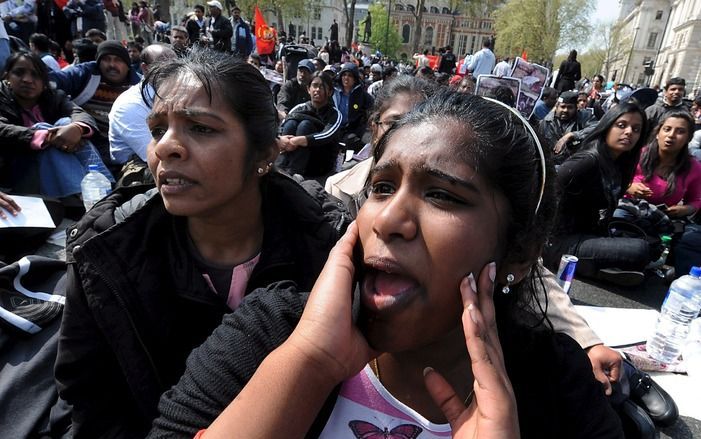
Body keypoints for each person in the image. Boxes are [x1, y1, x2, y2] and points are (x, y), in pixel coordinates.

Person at [150, 90, 623, 438]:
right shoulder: (272, 331)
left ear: (518, 251)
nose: (390, 219)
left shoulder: (557, 384)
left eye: (441, 195)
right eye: (380, 187)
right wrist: (309, 365)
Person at [54, 49, 347, 439]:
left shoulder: (330, 248)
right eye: (158, 130)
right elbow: (87, 401)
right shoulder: (106, 249)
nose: (165, 148)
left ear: (264, 155)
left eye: (202, 129)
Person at [547, 102, 652, 286]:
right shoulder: (587, 161)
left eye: (636, 129)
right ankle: (593, 268)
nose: (629, 132)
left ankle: (600, 267)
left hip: (588, 233)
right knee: (640, 250)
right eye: (622, 125)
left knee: (649, 239)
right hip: (558, 242)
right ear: (607, 126)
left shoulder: (619, 164)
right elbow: (546, 189)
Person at [0, 51, 102, 197]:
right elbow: (3, 129)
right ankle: (84, 195)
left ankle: (95, 191)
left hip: (53, 168)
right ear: (7, 76)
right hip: (15, 173)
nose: (27, 80)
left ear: (44, 82)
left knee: (68, 124)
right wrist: (44, 137)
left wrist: (77, 129)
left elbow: (79, 113)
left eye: (35, 75)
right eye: (19, 73)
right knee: (44, 129)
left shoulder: (53, 96)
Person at [625, 111, 701, 276]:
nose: (671, 135)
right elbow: (614, 180)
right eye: (667, 129)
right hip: (628, 214)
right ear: (658, 132)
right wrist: (629, 186)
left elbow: (696, 200)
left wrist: (685, 209)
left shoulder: (694, 167)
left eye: (680, 131)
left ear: (688, 138)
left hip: (663, 221)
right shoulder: (637, 154)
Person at [49, 40, 142, 166]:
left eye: (118, 60)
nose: (112, 65)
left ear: (127, 65)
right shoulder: (86, 74)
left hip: (124, 144)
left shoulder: (139, 85)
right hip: (88, 140)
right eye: (106, 59)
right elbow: (54, 81)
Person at [108, 43, 176, 183]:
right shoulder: (129, 105)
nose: (174, 72)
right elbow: (156, 155)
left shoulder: (174, 93)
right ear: (145, 69)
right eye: (165, 66)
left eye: (176, 66)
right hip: (138, 166)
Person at [276, 71, 342, 178]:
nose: (317, 90)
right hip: (291, 151)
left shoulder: (335, 114)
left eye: (322, 87)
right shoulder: (299, 108)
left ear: (329, 92)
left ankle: (295, 172)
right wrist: (282, 140)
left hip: (319, 161)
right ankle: (281, 167)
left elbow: (327, 135)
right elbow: (282, 127)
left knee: (305, 125)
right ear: (308, 89)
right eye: (314, 86)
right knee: (291, 123)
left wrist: (299, 140)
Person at [540, 90, 596, 163]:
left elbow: (597, 128)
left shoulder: (584, 117)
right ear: (556, 107)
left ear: (576, 108)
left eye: (570, 107)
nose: (565, 110)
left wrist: (572, 135)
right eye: (562, 107)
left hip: (578, 163)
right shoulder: (546, 123)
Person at [332, 62, 373, 149]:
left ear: (355, 79)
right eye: (344, 75)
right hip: (336, 128)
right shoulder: (333, 92)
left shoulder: (361, 94)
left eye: (350, 75)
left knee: (370, 141)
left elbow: (373, 108)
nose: (346, 78)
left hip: (355, 128)